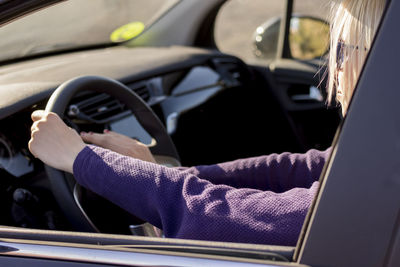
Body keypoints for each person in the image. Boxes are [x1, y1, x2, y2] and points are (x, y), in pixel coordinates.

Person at [28, 0, 385, 246]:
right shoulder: (383, 156)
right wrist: (169, 171)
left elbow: (219, 216)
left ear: (384, 62)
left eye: (341, 50)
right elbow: (300, 169)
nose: (332, 66)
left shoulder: (381, 192)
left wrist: (80, 158)